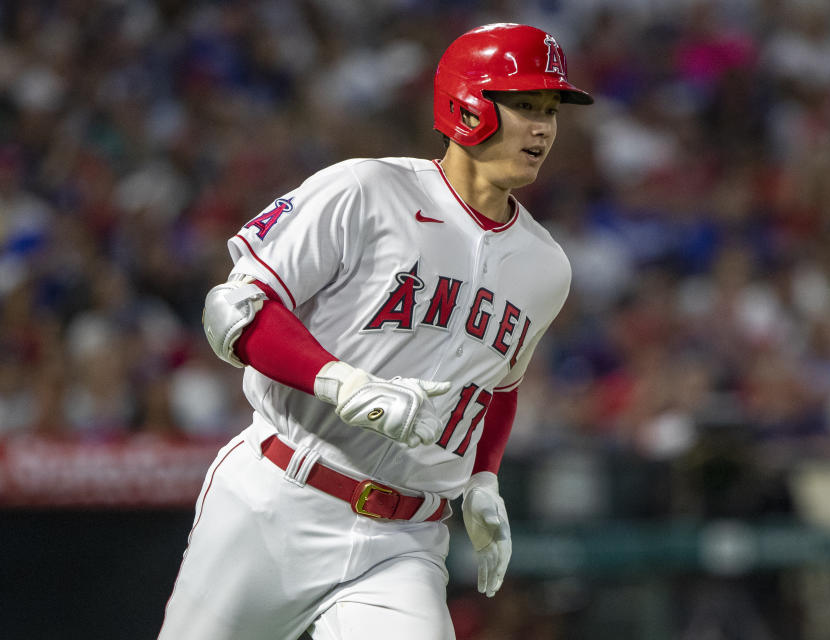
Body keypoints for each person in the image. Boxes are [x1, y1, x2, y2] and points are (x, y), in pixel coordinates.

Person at [158, 22, 592, 640]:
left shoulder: (546, 266)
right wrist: (342, 384)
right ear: (466, 104)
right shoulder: (367, 189)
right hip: (280, 496)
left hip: (405, 539)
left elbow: (498, 387)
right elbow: (234, 310)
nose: (544, 127)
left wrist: (484, 477)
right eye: (524, 105)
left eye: (551, 110)